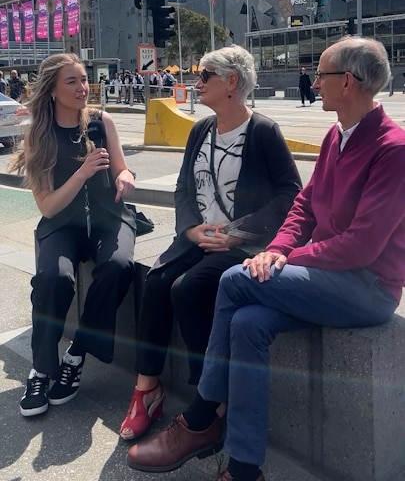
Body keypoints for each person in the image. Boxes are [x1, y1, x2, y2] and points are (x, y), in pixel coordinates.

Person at [127, 37, 405, 481]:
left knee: (235, 279)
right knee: (246, 324)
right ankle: (243, 467)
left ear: (347, 83)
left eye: (322, 75)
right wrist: (277, 249)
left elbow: (361, 246)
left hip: (367, 287)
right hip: (324, 277)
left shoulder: (392, 148)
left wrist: (282, 258)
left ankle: (200, 418)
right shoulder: (338, 135)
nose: (314, 82)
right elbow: (305, 206)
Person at [120, 44, 302, 442]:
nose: (196, 83)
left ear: (232, 82)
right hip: (197, 239)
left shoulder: (263, 132)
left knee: (189, 290)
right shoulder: (201, 129)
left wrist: (239, 232)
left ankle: (210, 395)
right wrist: (189, 230)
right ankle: (147, 387)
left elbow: (291, 194)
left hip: (239, 246)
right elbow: (184, 186)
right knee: (156, 283)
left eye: (205, 76)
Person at [8, 53, 137, 418]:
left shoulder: (101, 121)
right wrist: (81, 173)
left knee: (117, 266)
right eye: (72, 81)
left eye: (83, 79)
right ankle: (41, 369)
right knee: (53, 278)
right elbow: (47, 207)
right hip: (62, 225)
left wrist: (125, 178)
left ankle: (77, 353)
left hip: (110, 220)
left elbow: (122, 169)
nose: (83, 88)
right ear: (51, 90)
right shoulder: (38, 135)